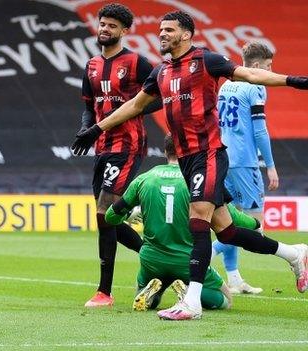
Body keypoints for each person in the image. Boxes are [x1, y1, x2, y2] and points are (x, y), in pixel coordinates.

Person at [72, 10, 308, 320]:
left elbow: (251, 74)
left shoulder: (207, 60)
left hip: (209, 152)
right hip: (186, 159)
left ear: (186, 34)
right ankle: (295, 254)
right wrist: (96, 129)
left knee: (197, 220)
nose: (162, 35)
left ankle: (192, 302)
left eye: (169, 30)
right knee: (226, 232)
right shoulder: (160, 72)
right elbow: (134, 106)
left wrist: (295, 81)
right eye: (161, 30)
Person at [106, 135, 266, 312]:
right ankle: (187, 289)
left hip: (151, 259)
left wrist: (126, 215)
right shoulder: (199, 179)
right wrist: (256, 224)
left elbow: (110, 217)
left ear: (165, 151)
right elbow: (233, 219)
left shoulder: (144, 179)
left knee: (145, 288)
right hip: (187, 260)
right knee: (226, 300)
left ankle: (152, 292)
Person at [70, 3, 160, 308]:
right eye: (102, 24)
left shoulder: (137, 63)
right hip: (101, 146)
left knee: (104, 211)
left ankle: (104, 292)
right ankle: (158, 256)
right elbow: (88, 106)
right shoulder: (92, 65)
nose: (104, 29)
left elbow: (160, 98)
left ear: (124, 31)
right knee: (105, 217)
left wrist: (130, 111)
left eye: (111, 26)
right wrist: (86, 130)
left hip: (128, 144)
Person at [211, 42, 278, 295]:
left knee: (228, 220)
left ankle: (234, 278)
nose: (271, 71)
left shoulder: (226, 85)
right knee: (255, 226)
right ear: (257, 66)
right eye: (269, 67)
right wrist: (270, 166)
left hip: (224, 158)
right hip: (245, 161)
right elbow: (260, 130)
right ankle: (203, 256)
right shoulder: (256, 86)